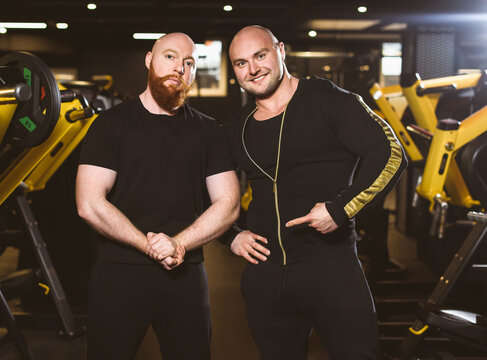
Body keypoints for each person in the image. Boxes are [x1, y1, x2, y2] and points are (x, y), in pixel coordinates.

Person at [223, 25, 407, 359]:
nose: (252, 69)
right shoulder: (237, 128)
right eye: (240, 62)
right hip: (266, 275)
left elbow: (390, 152)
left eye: (260, 55)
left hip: (329, 266)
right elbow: (201, 187)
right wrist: (231, 235)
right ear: (234, 71)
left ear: (280, 50)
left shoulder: (327, 98)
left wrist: (341, 208)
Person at [76, 32, 239, 360]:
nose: (179, 67)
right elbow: (89, 203)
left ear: (193, 73)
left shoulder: (209, 131)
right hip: (119, 274)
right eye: (170, 56)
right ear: (149, 59)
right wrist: (148, 245)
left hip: (186, 275)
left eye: (189, 62)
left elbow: (229, 204)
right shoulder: (110, 125)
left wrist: (179, 244)